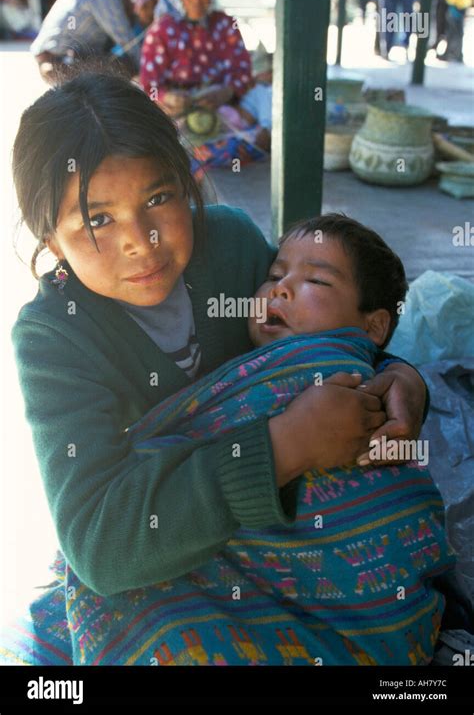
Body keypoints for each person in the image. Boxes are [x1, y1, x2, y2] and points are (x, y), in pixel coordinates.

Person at [2, 72, 428, 665]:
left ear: (187, 181)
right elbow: (98, 543)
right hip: (174, 552)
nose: (142, 241)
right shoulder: (55, 335)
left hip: (296, 544)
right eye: (98, 220)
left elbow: (314, 338)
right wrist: (285, 445)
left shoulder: (228, 242)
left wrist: (402, 375)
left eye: (158, 199)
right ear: (51, 238)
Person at [140, 0, 252, 117]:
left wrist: (225, 93)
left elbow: (243, 73)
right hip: (175, 116)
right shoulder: (161, 31)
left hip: (223, 113)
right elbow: (149, 86)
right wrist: (169, 98)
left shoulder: (225, 25)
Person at [30, 0, 153, 84]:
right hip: (58, 63)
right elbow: (126, 40)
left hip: (56, 59)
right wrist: (149, 74)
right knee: (126, 65)